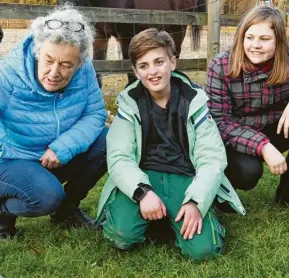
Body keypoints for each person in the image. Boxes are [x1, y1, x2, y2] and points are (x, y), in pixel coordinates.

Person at [0, 6, 108, 241]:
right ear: (38, 52)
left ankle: (65, 211)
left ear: (79, 62)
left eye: (66, 64)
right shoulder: (8, 74)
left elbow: (95, 114)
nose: (54, 72)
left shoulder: (85, 71)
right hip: (2, 162)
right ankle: (1, 210)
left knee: (107, 141)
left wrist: (63, 146)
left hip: (47, 156)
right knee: (47, 196)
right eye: (48, 60)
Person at [96, 28, 246, 261]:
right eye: (144, 66)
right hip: (144, 176)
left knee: (203, 251)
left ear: (172, 62)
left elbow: (212, 158)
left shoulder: (194, 99)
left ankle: (197, 216)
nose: (153, 72)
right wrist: (142, 193)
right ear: (135, 71)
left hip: (185, 178)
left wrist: (196, 201)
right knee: (120, 236)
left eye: (159, 62)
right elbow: (119, 157)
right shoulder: (129, 102)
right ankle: (148, 216)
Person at [205, 5, 289, 222]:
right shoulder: (221, 66)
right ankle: (222, 189)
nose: (255, 45)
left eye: (265, 39)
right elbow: (219, 122)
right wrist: (262, 146)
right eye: (250, 37)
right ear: (241, 37)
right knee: (247, 173)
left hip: (275, 127)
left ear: (278, 42)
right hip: (236, 138)